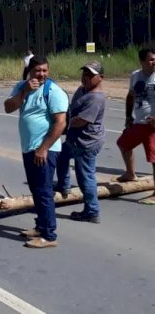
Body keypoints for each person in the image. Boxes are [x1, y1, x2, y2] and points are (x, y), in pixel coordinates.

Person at [4, 55, 69, 248]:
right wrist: (24, 91)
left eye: (44, 71)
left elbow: (60, 123)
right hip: (29, 147)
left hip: (45, 150)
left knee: (44, 191)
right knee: (36, 189)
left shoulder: (54, 92)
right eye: (37, 71)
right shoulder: (22, 87)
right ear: (29, 71)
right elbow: (8, 107)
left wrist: (44, 148)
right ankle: (41, 226)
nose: (41, 74)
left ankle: (49, 235)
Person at [55, 61, 106, 222]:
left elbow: (81, 121)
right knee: (61, 156)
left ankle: (92, 211)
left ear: (100, 78)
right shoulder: (82, 90)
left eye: (91, 75)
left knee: (85, 177)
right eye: (84, 74)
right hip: (74, 140)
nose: (86, 78)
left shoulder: (96, 98)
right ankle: (64, 185)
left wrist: (63, 124)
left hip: (86, 143)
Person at [114, 47, 155, 205]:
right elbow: (130, 96)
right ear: (142, 61)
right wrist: (127, 116)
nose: (154, 62)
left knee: (154, 160)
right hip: (138, 122)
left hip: (152, 126)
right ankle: (130, 174)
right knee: (123, 144)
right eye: (151, 59)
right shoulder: (135, 76)